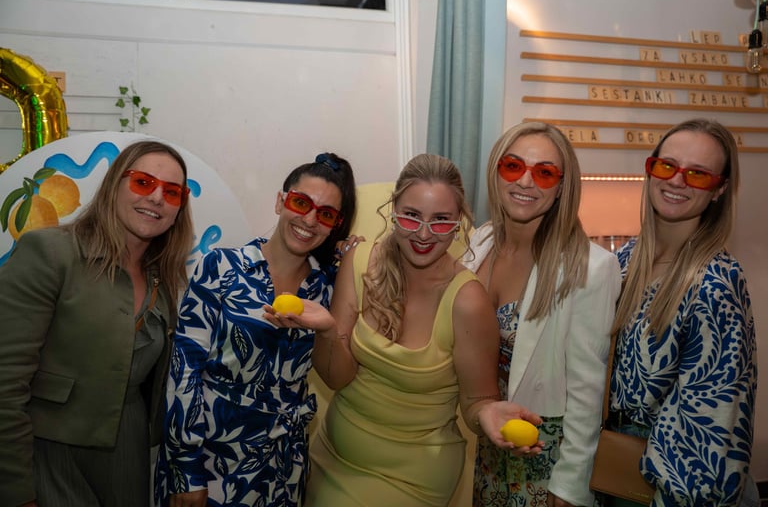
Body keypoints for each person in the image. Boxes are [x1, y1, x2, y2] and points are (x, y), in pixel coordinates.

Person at [267, 153, 544, 507]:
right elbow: (336, 378)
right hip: (331, 454)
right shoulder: (359, 261)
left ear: (458, 223)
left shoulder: (467, 300)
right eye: (412, 215)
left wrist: (487, 414)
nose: (424, 234)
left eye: (440, 220)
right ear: (394, 210)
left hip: (413, 478)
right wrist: (328, 332)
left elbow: (477, 402)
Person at [154, 153, 357, 507]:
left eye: (325, 214)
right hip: (212, 462)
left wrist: (350, 261)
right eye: (301, 203)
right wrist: (186, 470)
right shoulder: (221, 267)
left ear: (334, 226)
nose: (310, 220)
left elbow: (338, 376)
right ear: (280, 202)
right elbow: (184, 370)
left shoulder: (327, 288)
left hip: (283, 470)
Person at [0, 140, 194, 507]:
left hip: (127, 457)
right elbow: (5, 380)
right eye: (142, 182)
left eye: (172, 192)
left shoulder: (162, 278)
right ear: (113, 185)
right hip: (48, 453)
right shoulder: (50, 252)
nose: (156, 198)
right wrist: (15, 489)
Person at [463, 122, 622, 507]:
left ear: (562, 187)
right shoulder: (480, 240)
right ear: (496, 171)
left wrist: (569, 484)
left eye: (545, 172)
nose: (525, 181)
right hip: (487, 447)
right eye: (513, 166)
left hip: (545, 456)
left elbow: (587, 390)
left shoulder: (590, 267)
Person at [603, 119, 757, 506]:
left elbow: (710, 435)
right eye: (667, 166)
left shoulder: (716, 285)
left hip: (672, 486)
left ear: (719, 189)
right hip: (613, 467)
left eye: (698, 174)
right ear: (651, 168)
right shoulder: (623, 261)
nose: (676, 181)